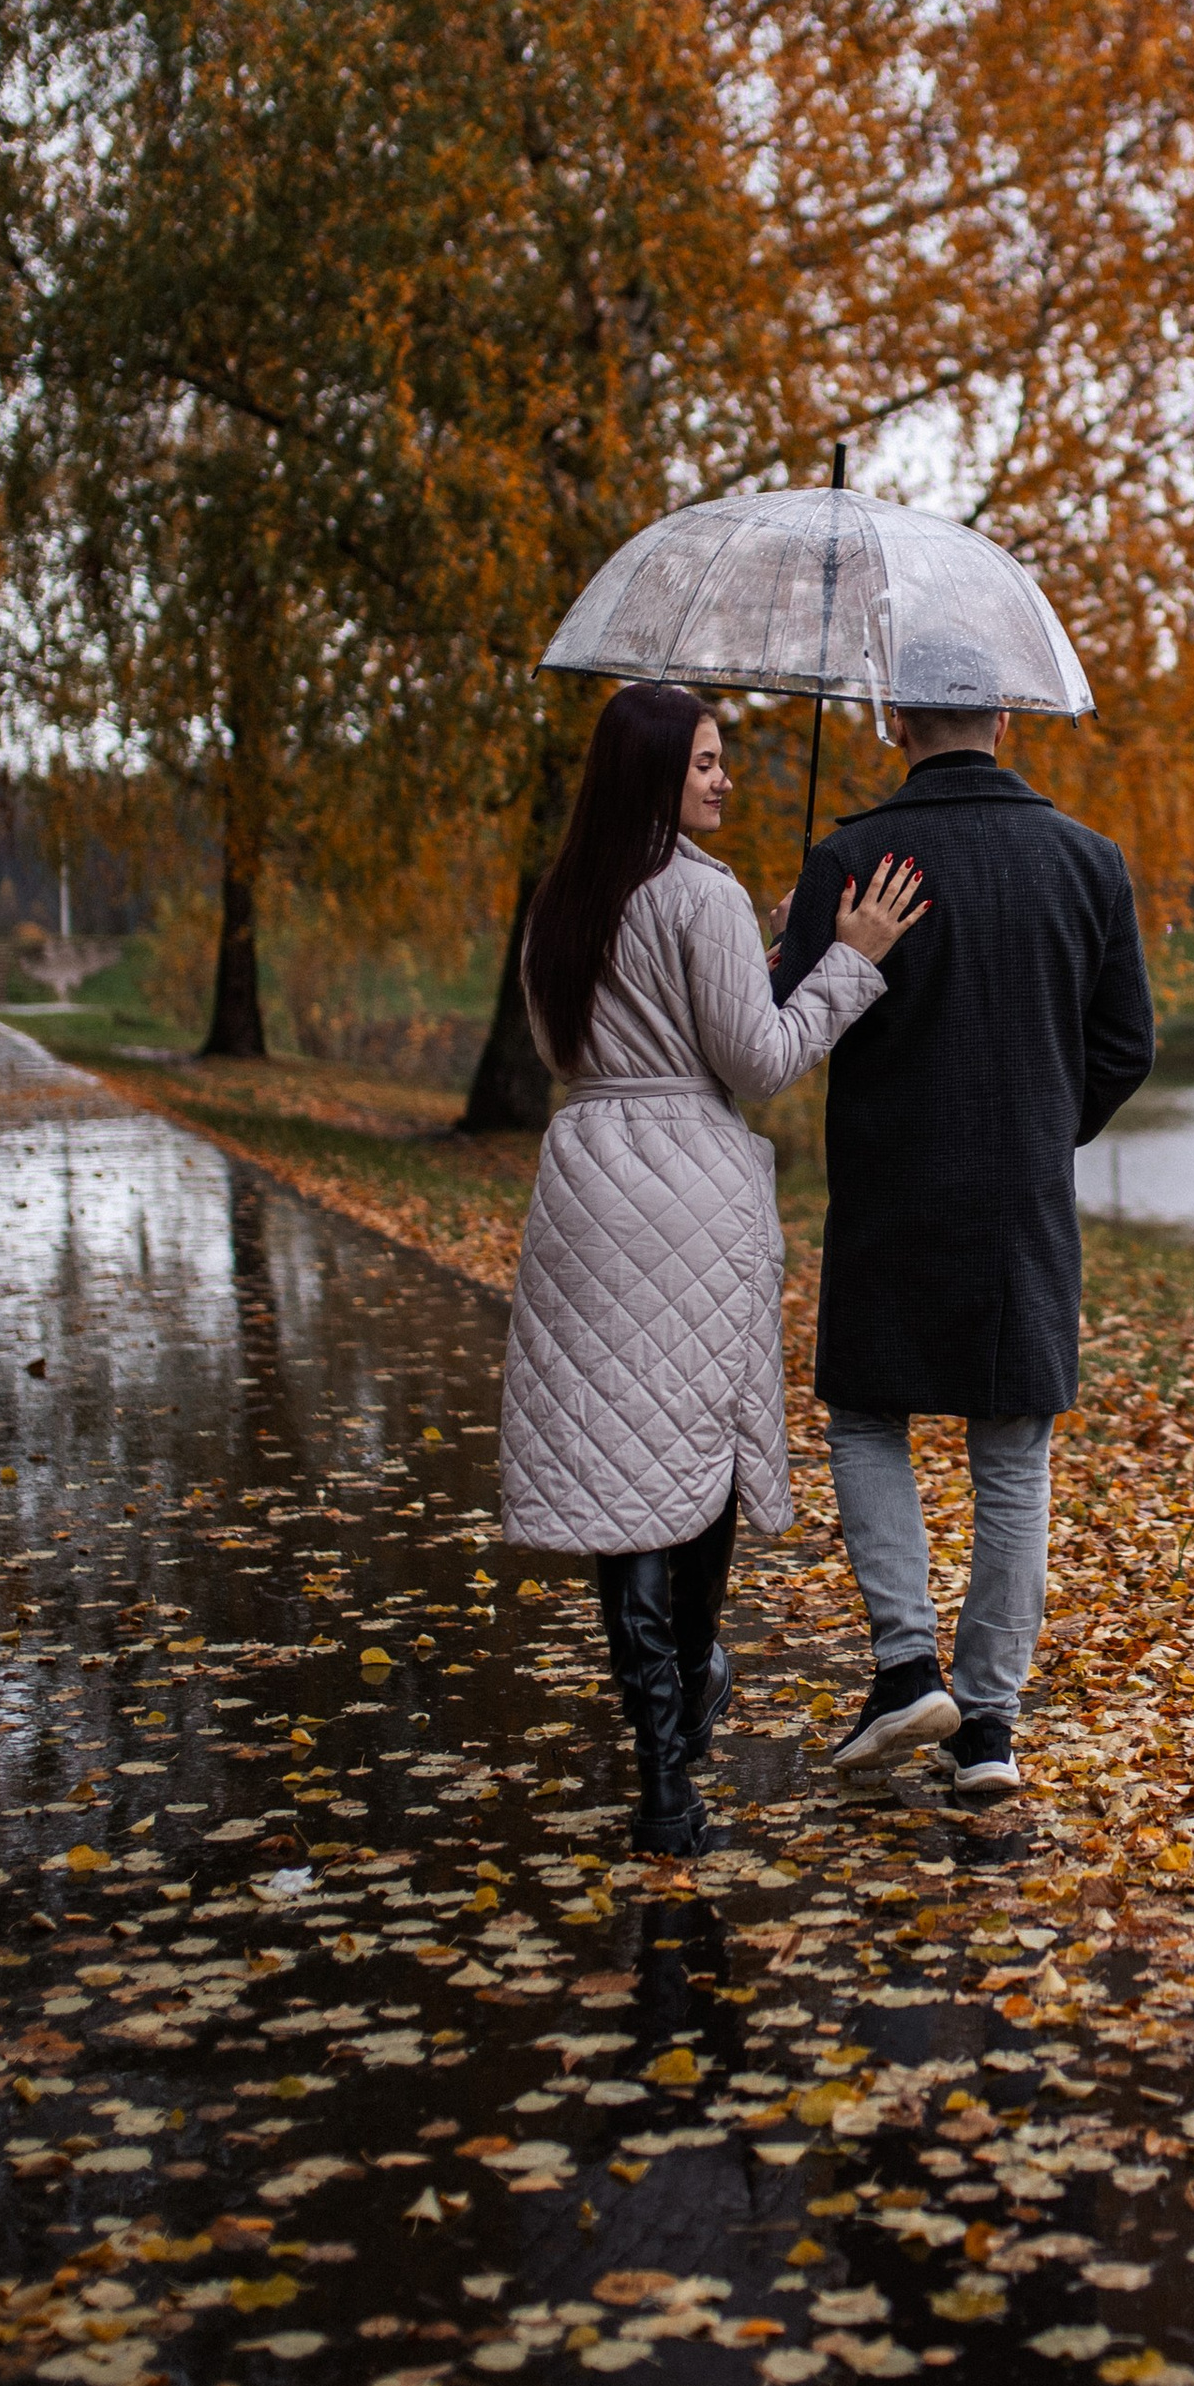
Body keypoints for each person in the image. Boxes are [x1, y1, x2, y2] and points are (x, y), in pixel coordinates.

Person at [499, 682, 927, 1854]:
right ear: (653, 776)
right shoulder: (701, 892)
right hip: (686, 1194)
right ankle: (688, 1697)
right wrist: (844, 960)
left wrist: (765, 949)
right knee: (691, 1461)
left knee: (619, 1476)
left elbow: (565, 1044)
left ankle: (661, 1773)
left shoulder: (562, 896)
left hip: (586, 1184)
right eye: (702, 763)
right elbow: (758, 1059)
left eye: (721, 759)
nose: (723, 779)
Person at [772, 651, 1155, 1802]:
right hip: (1020, 1202)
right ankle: (987, 1726)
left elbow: (789, 1034)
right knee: (1010, 1453)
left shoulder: (852, 859)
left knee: (865, 1418)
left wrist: (802, 930)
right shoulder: (1089, 863)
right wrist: (1044, 1130)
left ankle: (904, 1666)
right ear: (1003, 712)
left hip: (891, 1189)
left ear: (894, 717)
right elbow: (1123, 1048)